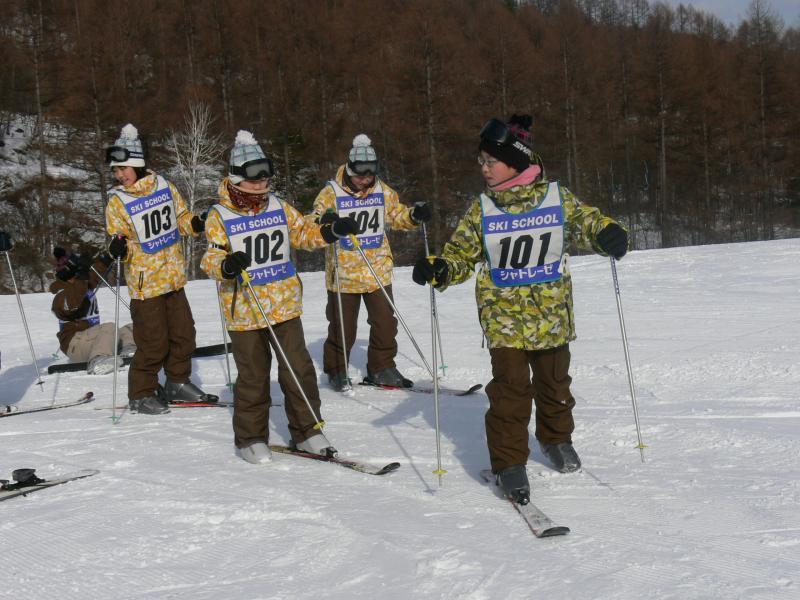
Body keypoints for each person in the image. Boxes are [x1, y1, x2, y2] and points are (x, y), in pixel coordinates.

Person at [412, 115, 629, 504]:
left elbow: (588, 223)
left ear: (515, 161)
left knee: (555, 387)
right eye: (481, 161)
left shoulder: (555, 198)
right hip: (504, 320)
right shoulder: (482, 209)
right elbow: (461, 255)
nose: (483, 168)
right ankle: (509, 462)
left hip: (552, 319)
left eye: (490, 161)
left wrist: (608, 233)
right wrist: (441, 268)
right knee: (510, 393)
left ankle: (556, 440)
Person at [201, 131, 358, 464]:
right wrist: (226, 264)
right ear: (236, 177)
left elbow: (302, 232)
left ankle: (308, 431)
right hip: (244, 310)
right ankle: (250, 437)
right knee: (254, 376)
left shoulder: (278, 205)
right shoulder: (220, 215)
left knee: (298, 369)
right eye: (253, 176)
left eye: (265, 174)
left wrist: (330, 232)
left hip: (284, 305)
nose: (261, 183)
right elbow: (209, 259)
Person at [104, 123, 215, 415]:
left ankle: (177, 382)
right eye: (116, 171)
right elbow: (118, 238)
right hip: (146, 283)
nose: (119, 175)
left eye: (123, 169)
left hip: (173, 277)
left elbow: (180, 217)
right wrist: (118, 248)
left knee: (184, 334)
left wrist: (196, 223)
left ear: (138, 165)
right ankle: (141, 393)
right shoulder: (118, 201)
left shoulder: (164, 185)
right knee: (153, 342)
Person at [309, 134, 432, 391]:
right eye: (359, 175)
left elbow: (397, 215)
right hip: (343, 273)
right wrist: (329, 221)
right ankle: (337, 369)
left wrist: (414, 215)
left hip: (376, 269)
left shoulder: (381, 190)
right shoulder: (331, 192)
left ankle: (382, 367)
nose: (364, 181)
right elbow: (314, 219)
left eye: (369, 175)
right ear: (349, 169)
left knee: (385, 322)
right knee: (343, 326)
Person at [49, 248, 136, 374]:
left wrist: (109, 256)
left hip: (93, 339)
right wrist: (82, 275)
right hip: (75, 344)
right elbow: (73, 304)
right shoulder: (60, 292)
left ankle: (127, 350)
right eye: (78, 273)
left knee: (131, 327)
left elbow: (97, 271)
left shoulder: (83, 283)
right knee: (109, 328)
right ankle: (98, 359)